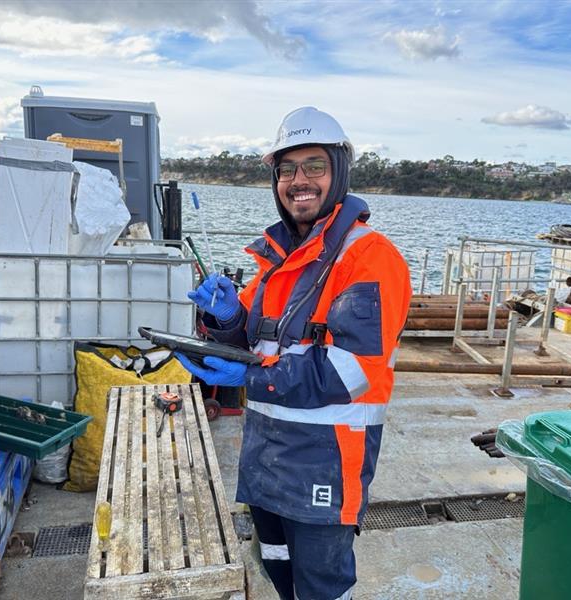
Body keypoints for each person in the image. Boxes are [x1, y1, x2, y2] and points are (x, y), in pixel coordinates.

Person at [176, 106, 411, 600]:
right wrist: (223, 320)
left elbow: (350, 371)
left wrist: (247, 378)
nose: (298, 180)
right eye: (286, 170)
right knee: (278, 573)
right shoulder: (278, 257)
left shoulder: (370, 257)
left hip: (326, 463)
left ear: (339, 171)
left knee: (322, 587)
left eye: (314, 167)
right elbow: (255, 338)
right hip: (266, 457)